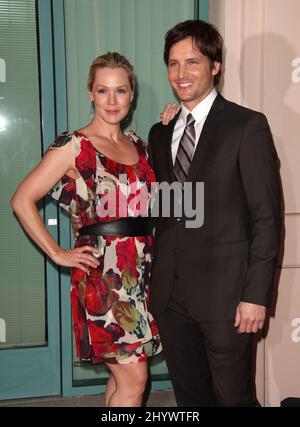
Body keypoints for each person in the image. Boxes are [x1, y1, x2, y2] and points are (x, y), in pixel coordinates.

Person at [10, 52, 162, 407]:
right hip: (103, 277)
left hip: (140, 273)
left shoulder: (139, 145)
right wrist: (58, 253)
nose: (112, 101)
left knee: (122, 376)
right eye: (103, 91)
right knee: (135, 379)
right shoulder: (74, 146)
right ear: (90, 94)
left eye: (120, 91)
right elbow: (22, 200)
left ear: (132, 95)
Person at [147, 20, 282, 406]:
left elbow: (266, 219)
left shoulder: (247, 126)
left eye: (193, 62)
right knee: (190, 399)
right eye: (173, 64)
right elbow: (172, 211)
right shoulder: (161, 133)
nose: (181, 74)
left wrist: (256, 295)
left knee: (233, 398)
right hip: (171, 298)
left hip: (228, 298)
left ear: (215, 65)